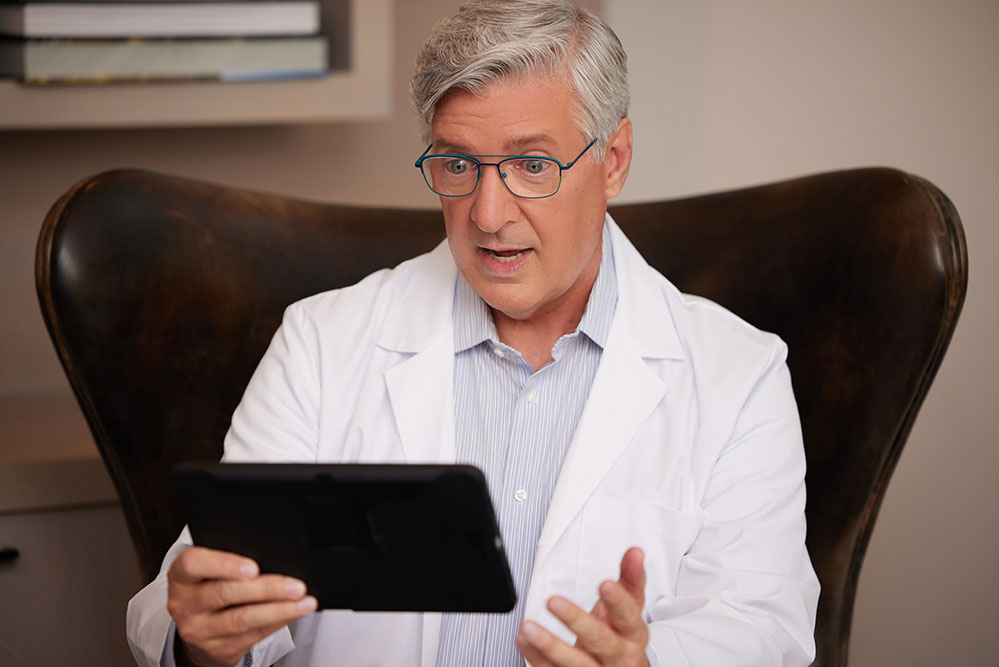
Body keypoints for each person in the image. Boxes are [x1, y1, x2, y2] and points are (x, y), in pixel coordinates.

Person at [127, 1, 819, 665]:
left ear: (613, 160)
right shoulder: (320, 343)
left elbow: (765, 627)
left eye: (532, 165)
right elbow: (193, 593)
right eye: (458, 164)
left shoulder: (739, 374)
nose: (488, 214)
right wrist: (202, 640)